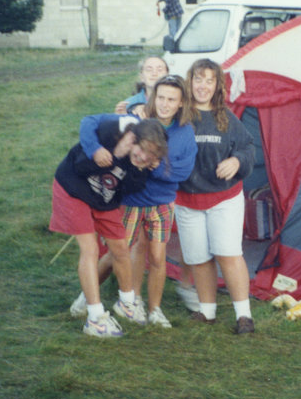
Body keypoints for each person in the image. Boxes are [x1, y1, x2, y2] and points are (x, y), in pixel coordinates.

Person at [51, 114, 168, 337]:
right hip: (73, 189)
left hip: (104, 198)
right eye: (142, 150)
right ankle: (95, 318)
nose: (143, 157)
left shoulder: (143, 162)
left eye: (151, 155)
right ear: (133, 139)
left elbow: (132, 188)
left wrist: (140, 168)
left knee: (121, 248)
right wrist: (113, 154)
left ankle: (126, 303)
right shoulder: (110, 133)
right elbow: (81, 166)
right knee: (91, 249)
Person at [175, 58, 257, 334]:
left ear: (217, 85)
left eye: (210, 80)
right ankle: (207, 311)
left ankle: (243, 315)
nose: (203, 86)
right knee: (199, 257)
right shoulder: (179, 115)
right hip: (187, 199)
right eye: (199, 79)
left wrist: (236, 161)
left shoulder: (226, 117)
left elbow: (247, 148)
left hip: (224, 198)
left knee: (228, 253)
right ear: (190, 82)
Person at [124, 74, 198, 327]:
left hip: (163, 201)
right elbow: (127, 159)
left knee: (158, 256)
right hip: (132, 199)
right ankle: (133, 301)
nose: (165, 104)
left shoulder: (185, 131)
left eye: (172, 99)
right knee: (132, 249)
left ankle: (155, 308)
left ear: (181, 103)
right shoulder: (139, 120)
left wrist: (153, 165)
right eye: (162, 98)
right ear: (154, 98)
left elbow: (182, 172)